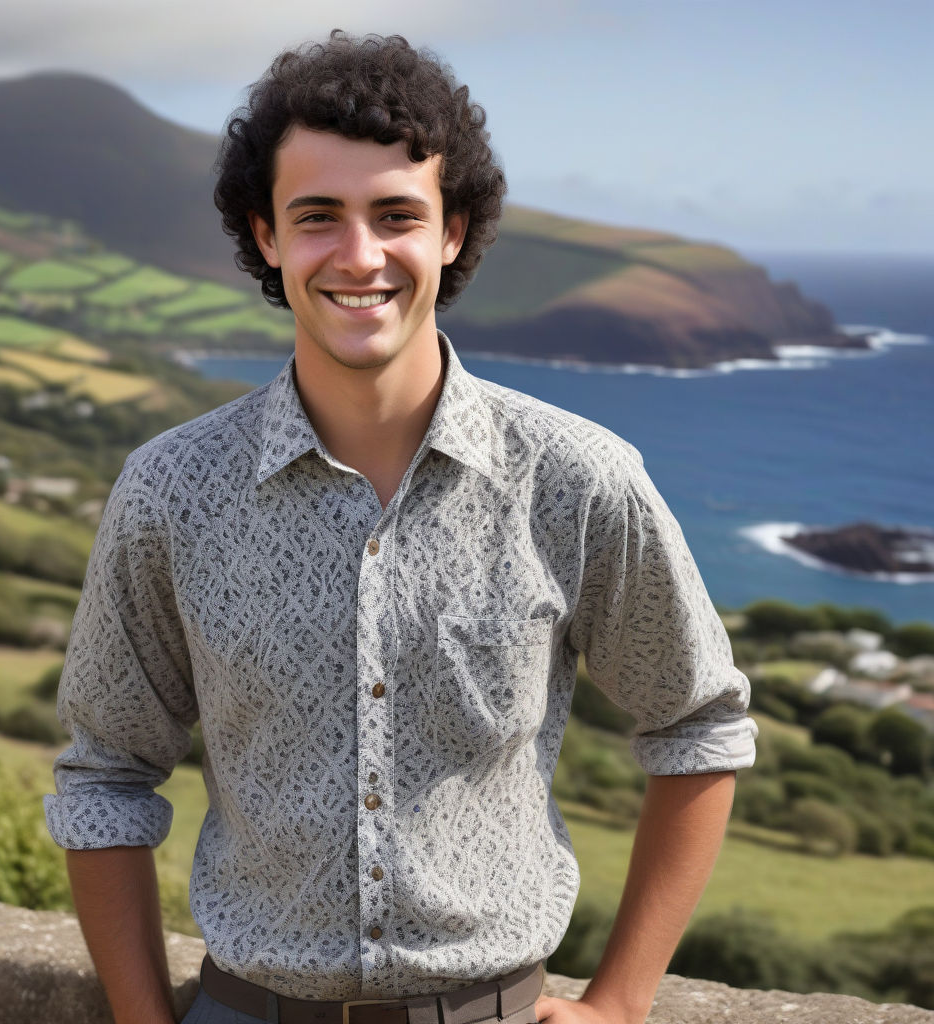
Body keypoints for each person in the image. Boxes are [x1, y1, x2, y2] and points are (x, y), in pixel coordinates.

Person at [45, 30, 757, 1024]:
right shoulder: (169, 490)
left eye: (396, 215)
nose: (360, 255)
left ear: (452, 230)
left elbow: (697, 723)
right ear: (264, 234)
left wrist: (622, 1000)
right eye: (317, 217)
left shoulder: (576, 477)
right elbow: (105, 773)